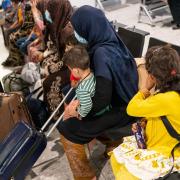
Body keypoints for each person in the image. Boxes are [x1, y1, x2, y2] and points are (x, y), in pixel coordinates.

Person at [57, 5, 139, 179]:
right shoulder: (111, 40)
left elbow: (102, 98)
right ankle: (113, 143)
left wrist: (79, 112)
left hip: (121, 109)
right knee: (71, 95)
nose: (76, 32)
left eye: (77, 28)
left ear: (88, 27)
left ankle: (86, 176)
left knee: (66, 128)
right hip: (126, 101)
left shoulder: (101, 53)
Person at [110, 45, 180, 180]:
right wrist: (144, 123)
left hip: (168, 152)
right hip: (168, 142)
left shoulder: (165, 99)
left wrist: (144, 88)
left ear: (152, 77)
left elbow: (131, 108)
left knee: (124, 170)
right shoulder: (172, 93)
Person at [63, 45, 110, 120]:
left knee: (67, 116)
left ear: (76, 71)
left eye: (70, 70)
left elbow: (87, 106)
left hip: (94, 113)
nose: (71, 72)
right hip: (96, 102)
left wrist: (78, 114)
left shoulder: (82, 90)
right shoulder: (91, 72)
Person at [2, 1, 35, 66]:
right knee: (11, 35)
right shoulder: (23, 5)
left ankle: (17, 60)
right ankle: (15, 59)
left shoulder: (28, 5)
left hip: (29, 29)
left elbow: (24, 21)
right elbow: (23, 21)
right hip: (27, 27)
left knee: (13, 37)